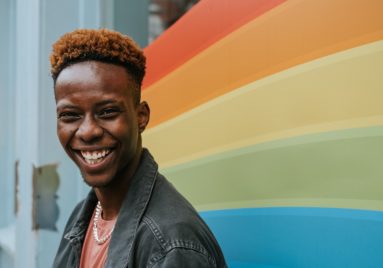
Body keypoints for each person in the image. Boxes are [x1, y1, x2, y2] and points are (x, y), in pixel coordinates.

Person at [51, 28, 227, 268]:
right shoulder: (84, 216)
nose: (88, 131)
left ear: (141, 116)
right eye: (70, 115)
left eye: (108, 112)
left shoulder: (172, 245)